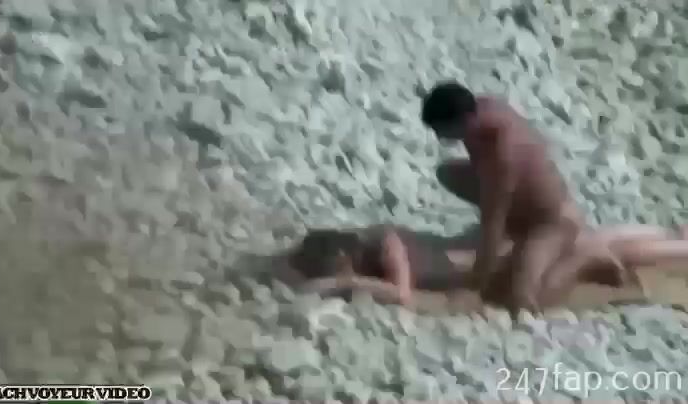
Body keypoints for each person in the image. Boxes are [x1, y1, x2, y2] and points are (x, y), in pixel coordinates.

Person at [420, 81, 602, 312]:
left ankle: (585, 260)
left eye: (443, 132)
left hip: (552, 221)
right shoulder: (479, 112)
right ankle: (515, 230)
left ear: (464, 120)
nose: (440, 138)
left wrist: (477, 283)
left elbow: (493, 220)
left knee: (520, 295)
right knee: (448, 173)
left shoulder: (502, 150)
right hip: (522, 201)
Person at [291, 223, 688, 310]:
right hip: (494, 253)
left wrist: (342, 284)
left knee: (605, 248)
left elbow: (402, 294)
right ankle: (672, 235)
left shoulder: (387, 246)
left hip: (502, 260)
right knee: (599, 239)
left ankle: (679, 246)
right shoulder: (382, 242)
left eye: (339, 268)